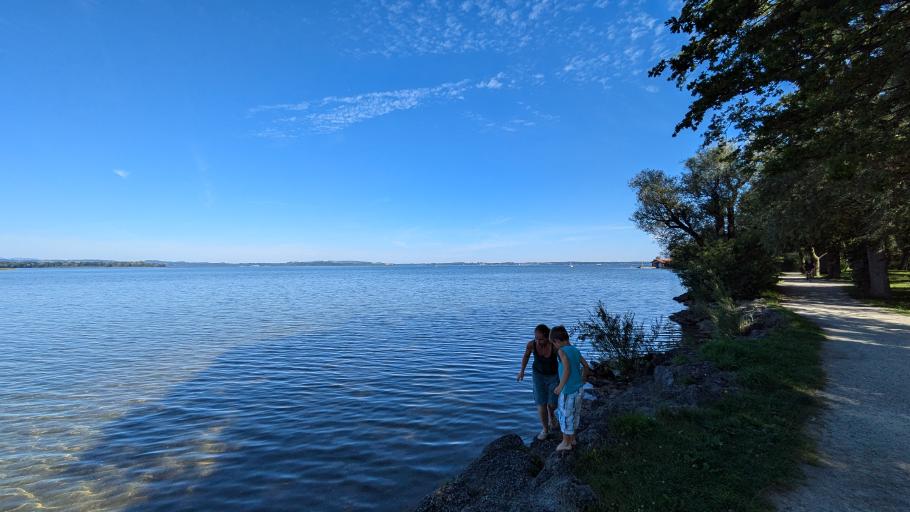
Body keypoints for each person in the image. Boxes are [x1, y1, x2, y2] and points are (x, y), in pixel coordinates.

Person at [551, 325, 591, 452]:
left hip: (568, 391)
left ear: (556, 341)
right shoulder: (574, 350)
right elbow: (586, 365)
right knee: (575, 414)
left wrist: (560, 386)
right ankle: (572, 438)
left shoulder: (561, 351)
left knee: (565, 415)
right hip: (579, 390)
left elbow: (567, 369)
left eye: (553, 344)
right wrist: (583, 379)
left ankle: (566, 442)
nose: (554, 346)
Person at [517, 324, 559, 440]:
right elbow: (526, 356)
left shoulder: (554, 346)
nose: (537, 341)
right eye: (536, 338)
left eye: (540, 339)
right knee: (541, 403)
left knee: (552, 404)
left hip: (554, 376)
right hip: (538, 375)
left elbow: (563, 361)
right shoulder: (532, 345)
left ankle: (552, 415)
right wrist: (522, 371)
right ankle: (545, 429)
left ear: (547, 337)